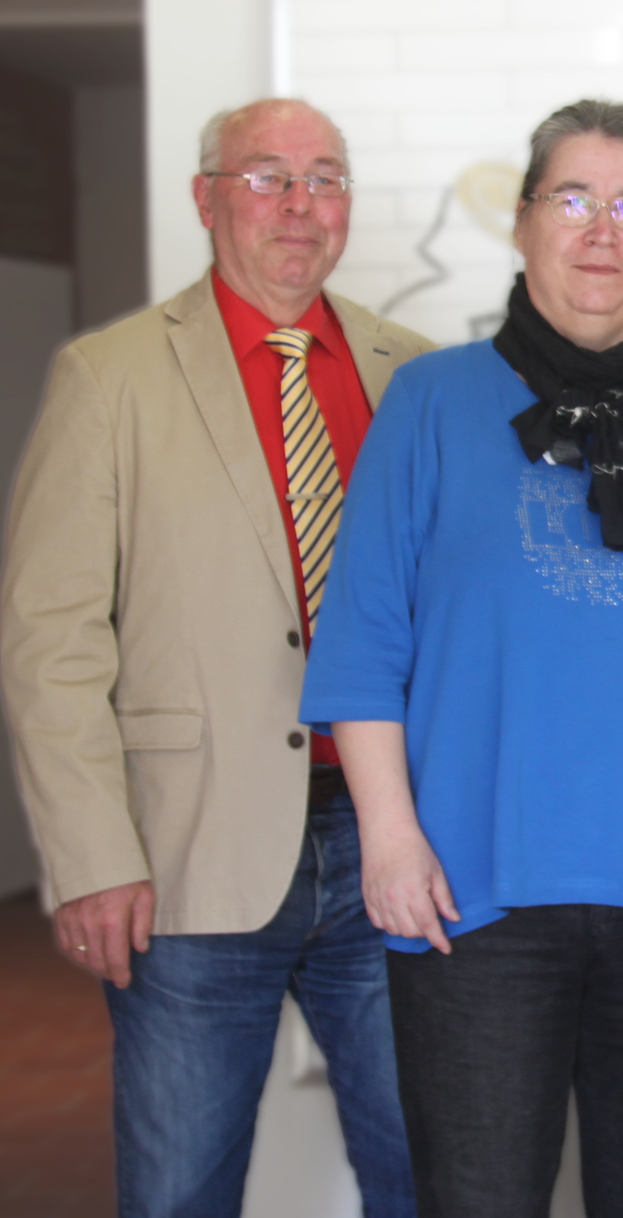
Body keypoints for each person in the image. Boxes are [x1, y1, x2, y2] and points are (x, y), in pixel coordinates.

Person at [297, 98, 623, 1217]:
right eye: (574, 199)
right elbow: (363, 643)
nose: (602, 229)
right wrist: (388, 837)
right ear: (524, 221)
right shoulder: (430, 403)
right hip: (469, 895)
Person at [0, 98, 432, 1217]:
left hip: (391, 841)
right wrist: (90, 853)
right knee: (179, 1189)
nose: (299, 205)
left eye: (324, 179)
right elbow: (51, 638)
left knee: (430, 1174)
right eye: (266, 177)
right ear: (206, 199)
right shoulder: (111, 377)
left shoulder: (415, 375)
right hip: (187, 853)